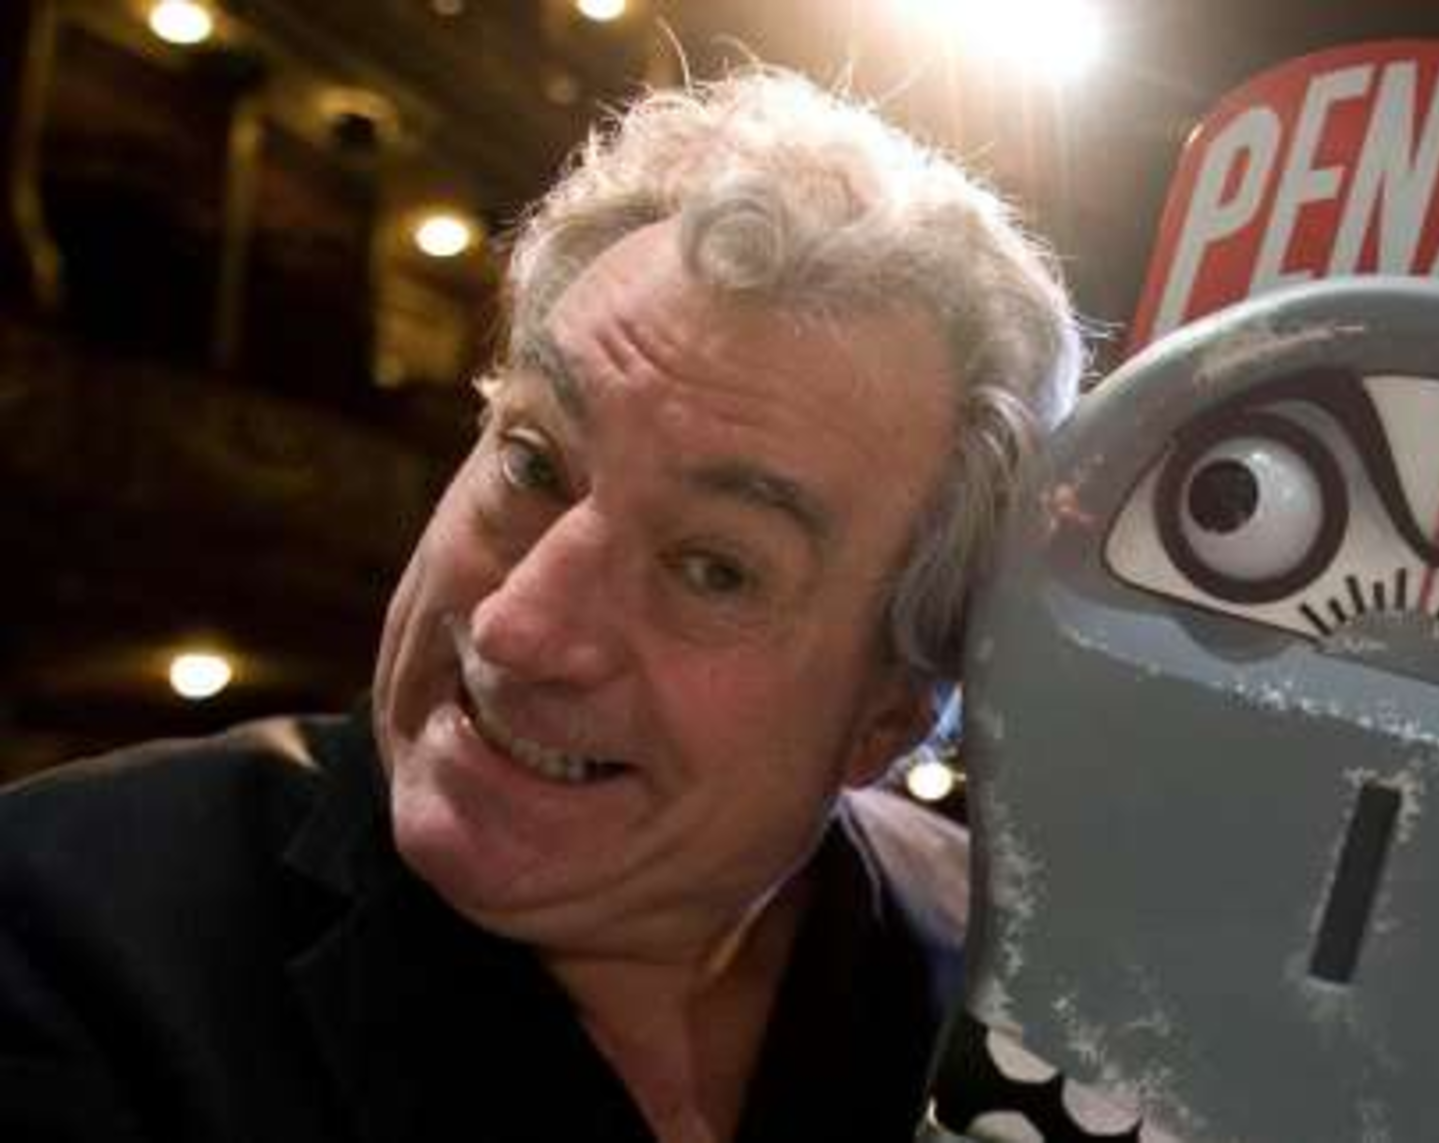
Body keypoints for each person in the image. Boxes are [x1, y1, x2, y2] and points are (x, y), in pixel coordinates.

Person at [0, 67, 1082, 1142]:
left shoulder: (1029, 978)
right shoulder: (60, 926)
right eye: (533, 463)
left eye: (714, 568)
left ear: (890, 713)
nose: (517, 629)